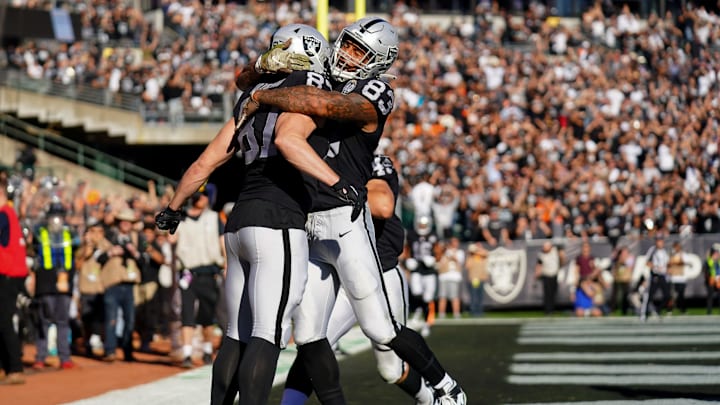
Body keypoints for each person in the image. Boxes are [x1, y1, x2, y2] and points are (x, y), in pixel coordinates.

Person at [248, 17, 466, 403]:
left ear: (378, 62)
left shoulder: (375, 91)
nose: (347, 54)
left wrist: (263, 95)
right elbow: (244, 79)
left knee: (382, 330)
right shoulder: (320, 74)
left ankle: (446, 388)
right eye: (346, 44)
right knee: (311, 335)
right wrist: (264, 67)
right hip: (309, 224)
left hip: (347, 220)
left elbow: (323, 104)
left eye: (359, 51)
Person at [156, 24, 357, 405]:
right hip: (277, 219)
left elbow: (203, 164)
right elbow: (289, 139)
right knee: (269, 332)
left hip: (239, 221)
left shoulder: (254, 96)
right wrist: (337, 182)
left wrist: (172, 208)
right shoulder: (309, 86)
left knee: (236, 333)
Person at [281, 155, 435, 405]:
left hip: (378, 272)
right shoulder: (312, 153)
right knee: (312, 345)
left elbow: (383, 205)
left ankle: (434, 397)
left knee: (391, 369)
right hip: (332, 271)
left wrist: (334, 186)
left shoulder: (368, 159)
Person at [172, 187, 225, 368]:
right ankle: (187, 353)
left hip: (209, 272)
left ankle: (208, 349)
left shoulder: (213, 217)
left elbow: (222, 241)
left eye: (202, 195)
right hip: (188, 272)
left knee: (207, 315)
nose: (199, 199)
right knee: (187, 313)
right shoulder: (181, 218)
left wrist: (226, 263)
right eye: (196, 195)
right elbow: (170, 239)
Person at [30, 200, 79, 370]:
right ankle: (40, 357)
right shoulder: (40, 232)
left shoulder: (70, 234)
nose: (56, 220)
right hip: (45, 283)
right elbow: (32, 247)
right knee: (43, 321)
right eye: (53, 216)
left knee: (62, 321)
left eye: (59, 216)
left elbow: (78, 247)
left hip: (65, 283)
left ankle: (64, 357)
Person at [98, 208, 143, 362]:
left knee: (130, 319)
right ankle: (110, 350)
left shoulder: (136, 239)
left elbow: (144, 261)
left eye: (128, 222)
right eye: (123, 221)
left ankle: (127, 350)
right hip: (112, 283)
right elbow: (98, 258)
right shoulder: (108, 237)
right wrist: (111, 253)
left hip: (129, 284)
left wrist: (135, 252)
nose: (125, 224)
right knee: (111, 318)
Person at [0, 178, 29, 384]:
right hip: (12, 274)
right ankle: (7, 366)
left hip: (6, 275)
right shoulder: (10, 214)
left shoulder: (4, 215)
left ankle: (14, 368)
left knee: (4, 322)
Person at [74, 218, 108, 358]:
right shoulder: (82, 248)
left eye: (99, 232)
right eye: (92, 232)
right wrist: (88, 245)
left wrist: (99, 242)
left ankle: (102, 344)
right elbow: (78, 264)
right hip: (86, 289)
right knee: (86, 320)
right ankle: (88, 344)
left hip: (101, 288)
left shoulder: (106, 246)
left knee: (102, 320)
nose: (95, 235)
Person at [405, 214, 439, 337]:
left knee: (428, 298)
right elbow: (407, 250)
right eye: (420, 224)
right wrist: (407, 260)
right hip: (417, 269)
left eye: (424, 225)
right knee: (416, 291)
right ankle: (418, 312)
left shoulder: (433, 235)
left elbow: (439, 250)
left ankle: (427, 323)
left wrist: (435, 259)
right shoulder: (412, 235)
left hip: (429, 271)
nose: (422, 227)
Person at [641, 235, 671, 320]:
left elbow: (667, 263)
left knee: (667, 295)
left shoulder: (665, 251)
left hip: (663, 275)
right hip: (655, 275)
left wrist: (667, 269)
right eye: (658, 241)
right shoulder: (653, 250)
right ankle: (645, 314)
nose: (660, 243)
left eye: (661, 241)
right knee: (650, 295)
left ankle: (658, 310)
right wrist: (656, 267)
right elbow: (647, 262)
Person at [437, 236, 464, 319]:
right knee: (442, 296)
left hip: (454, 277)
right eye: (452, 242)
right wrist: (443, 251)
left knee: (455, 297)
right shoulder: (444, 252)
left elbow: (458, 260)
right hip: (444, 277)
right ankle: (441, 314)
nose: (454, 244)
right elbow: (439, 261)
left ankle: (456, 314)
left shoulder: (460, 252)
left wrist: (449, 252)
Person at [535, 242, 565, 315]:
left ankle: (552, 309)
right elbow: (539, 265)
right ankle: (547, 310)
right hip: (546, 275)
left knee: (553, 292)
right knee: (547, 293)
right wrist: (537, 274)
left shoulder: (555, 250)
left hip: (554, 274)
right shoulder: (541, 255)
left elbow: (562, 252)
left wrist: (561, 261)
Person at [464, 243, 489, 317]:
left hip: (481, 278)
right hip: (474, 279)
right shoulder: (471, 258)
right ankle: (474, 311)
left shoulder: (482, 256)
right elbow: (467, 266)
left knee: (480, 296)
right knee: (474, 296)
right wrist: (471, 254)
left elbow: (486, 253)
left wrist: (478, 250)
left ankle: (479, 311)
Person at [609, 246, 634, 315]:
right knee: (614, 295)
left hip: (626, 280)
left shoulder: (630, 258)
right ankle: (612, 310)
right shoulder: (617, 258)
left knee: (625, 295)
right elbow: (614, 265)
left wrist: (621, 259)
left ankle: (625, 310)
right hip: (618, 279)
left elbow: (628, 265)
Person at [667, 242, 688, 314]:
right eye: (675, 247)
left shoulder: (683, 254)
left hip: (681, 278)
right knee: (672, 296)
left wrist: (675, 262)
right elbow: (668, 264)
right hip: (673, 278)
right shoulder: (671, 255)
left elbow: (682, 262)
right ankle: (670, 309)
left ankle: (682, 309)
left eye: (677, 247)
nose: (676, 248)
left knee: (681, 295)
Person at [704, 247, 720, 314]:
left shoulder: (719, 261)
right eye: (715, 254)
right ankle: (709, 311)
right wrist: (709, 278)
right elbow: (706, 270)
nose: (717, 255)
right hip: (711, 280)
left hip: (718, 279)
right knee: (710, 296)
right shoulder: (708, 261)